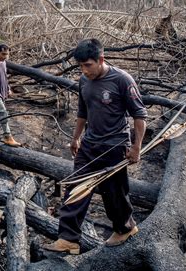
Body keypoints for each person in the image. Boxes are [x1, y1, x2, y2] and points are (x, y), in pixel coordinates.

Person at [43, 38, 147, 254]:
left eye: (88, 65)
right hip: (89, 145)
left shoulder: (122, 80)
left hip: (114, 145)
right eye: (80, 66)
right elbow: (83, 112)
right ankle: (68, 238)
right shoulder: (84, 81)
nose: (84, 70)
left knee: (114, 192)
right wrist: (76, 138)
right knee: (76, 186)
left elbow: (140, 116)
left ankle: (125, 228)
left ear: (101, 59)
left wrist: (136, 147)